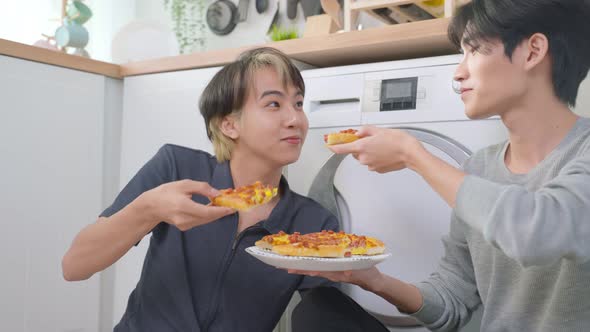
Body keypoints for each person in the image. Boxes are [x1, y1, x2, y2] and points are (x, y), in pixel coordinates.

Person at [289, 0, 590, 331]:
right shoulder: (480, 168)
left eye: (475, 50)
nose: (458, 72)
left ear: (532, 52)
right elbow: (450, 302)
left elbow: (539, 231)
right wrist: (373, 280)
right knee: (318, 311)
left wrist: (413, 155)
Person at [61, 47, 340, 332]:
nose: (295, 119)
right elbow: (75, 266)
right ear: (229, 124)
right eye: (273, 104)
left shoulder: (313, 224)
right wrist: (148, 208)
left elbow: (325, 316)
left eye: (298, 103)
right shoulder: (176, 169)